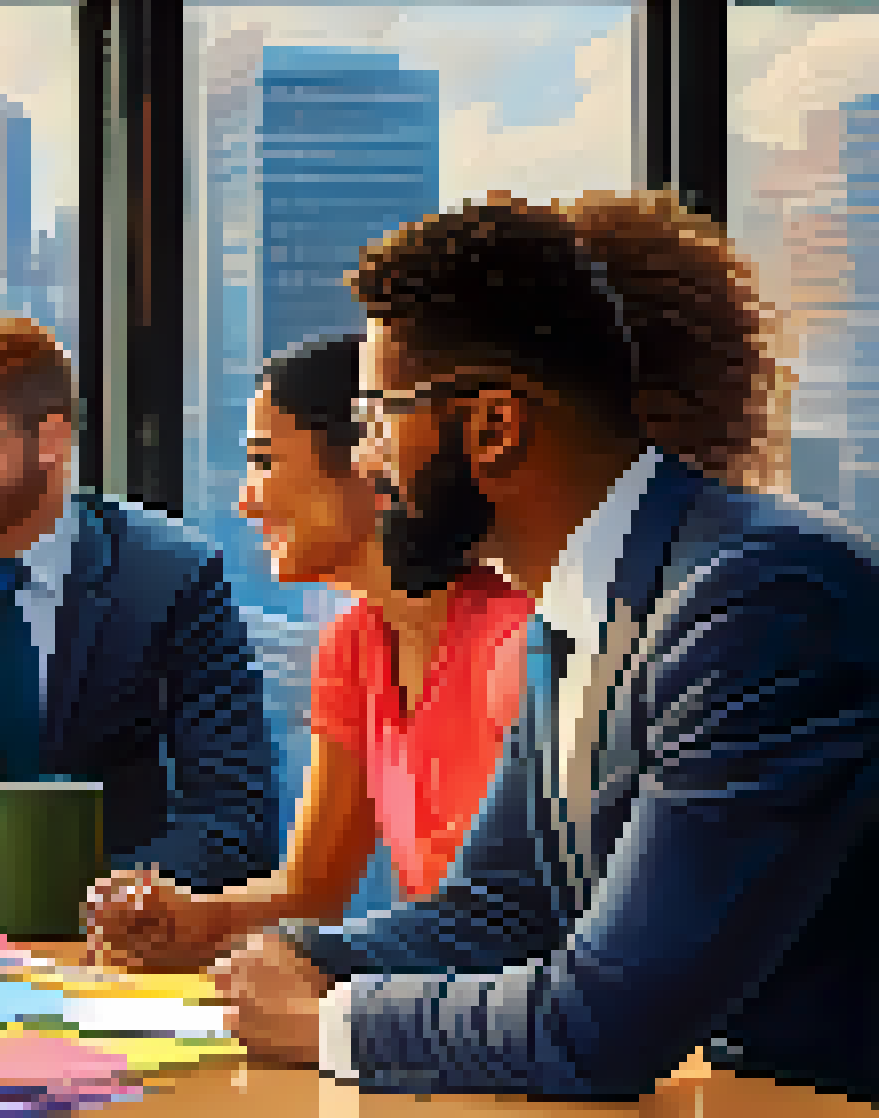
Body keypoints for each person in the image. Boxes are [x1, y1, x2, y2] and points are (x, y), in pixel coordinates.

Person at [214, 190, 879, 1101]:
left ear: (494, 426)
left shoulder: (757, 603)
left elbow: (599, 1025)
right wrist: (295, 952)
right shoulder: (571, 603)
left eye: (375, 419)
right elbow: (501, 906)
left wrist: (326, 1021)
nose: (365, 462)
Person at [86, 334, 532, 971]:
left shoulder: (514, 638)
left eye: (266, 460)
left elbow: (515, 925)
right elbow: (310, 890)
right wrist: (191, 916)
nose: (246, 500)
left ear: (370, 460)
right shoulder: (353, 646)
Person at [0, 312, 279, 890]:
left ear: (50, 440)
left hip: (103, 931)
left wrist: (26, 877)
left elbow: (238, 824)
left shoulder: (169, 574)